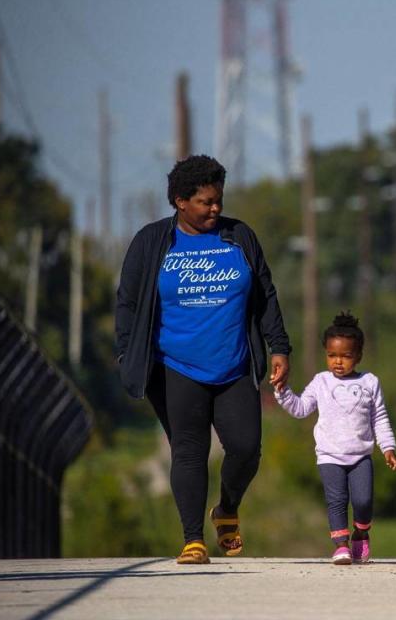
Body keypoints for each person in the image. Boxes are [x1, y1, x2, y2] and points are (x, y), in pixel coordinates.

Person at [115, 155, 291, 565]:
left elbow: (265, 294)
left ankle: (227, 509)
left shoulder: (239, 237)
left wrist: (279, 346)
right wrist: (126, 350)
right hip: (174, 364)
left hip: (232, 365)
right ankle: (193, 538)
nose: (215, 209)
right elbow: (128, 301)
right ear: (180, 200)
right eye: (205, 202)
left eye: (219, 201)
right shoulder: (152, 242)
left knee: (246, 449)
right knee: (189, 450)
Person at [274, 311, 396, 565]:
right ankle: (341, 546)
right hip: (329, 455)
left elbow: (380, 419)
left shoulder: (369, 382)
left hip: (360, 456)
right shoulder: (321, 382)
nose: (338, 362)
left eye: (345, 356)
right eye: (332, 355)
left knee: (363, 501)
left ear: (358, 356)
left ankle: (361, 532)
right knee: (337, 501)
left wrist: (388, 448)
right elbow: (300, 409)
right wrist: (282, 391)